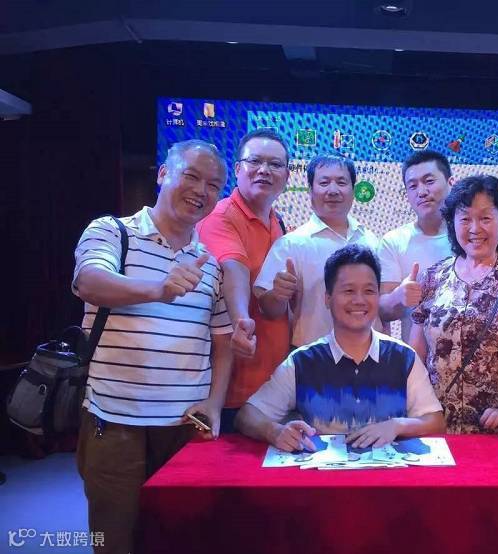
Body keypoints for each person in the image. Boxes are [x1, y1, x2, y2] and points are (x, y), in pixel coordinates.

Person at [72, 140, 245, 553]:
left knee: (180, 537)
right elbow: (88, 281)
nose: (201, 191)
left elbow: (222, 341)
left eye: (213, 185)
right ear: (163, 174)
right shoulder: (112, 231)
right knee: (114, 539)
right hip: (113, 420)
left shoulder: (209, 263)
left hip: (185, 427)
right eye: (191, 176)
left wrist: (214, 404)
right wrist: (158, 288)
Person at [236, 244, 445, 449]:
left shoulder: (404, 358)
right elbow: (247, 415)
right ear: (328, 299)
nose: (359, 300)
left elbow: (435, 421)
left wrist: (397, 425)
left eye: (369, 291)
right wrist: (274, 432)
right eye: (349, 291)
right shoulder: (302, 362)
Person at [409, 175, 498, 460]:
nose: (475, 229)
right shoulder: (434, 276)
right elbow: (417, 351)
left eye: (485, 218)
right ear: (452, 223)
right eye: (465, 219)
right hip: (439, 429)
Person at [197, 129, 291, 431]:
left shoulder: (279, 223)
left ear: (287, 176)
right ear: (238, 169)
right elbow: (233, 267)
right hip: (232, 392)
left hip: (274, 389)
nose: (264, 170)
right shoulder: (220, 216)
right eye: (255, 161)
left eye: (275, 164)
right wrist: (241, 320)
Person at [254, 154, 379, 348]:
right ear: (310, 191)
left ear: (353, 191)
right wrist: (278, 294)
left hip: (369, 354)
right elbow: (267, 309)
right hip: (312, 355)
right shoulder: (291, 244)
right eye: (324, 182)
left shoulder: (371, 241)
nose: (333, 190)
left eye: (341, 182)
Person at [378, 151, 454, 341]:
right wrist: (398, 296)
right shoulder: (394, 241)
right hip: (416, 354)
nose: (421, 192)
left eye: (429, 181)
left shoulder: (470, 239)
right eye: (412, 186)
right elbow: (382, 310)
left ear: (451, 183)